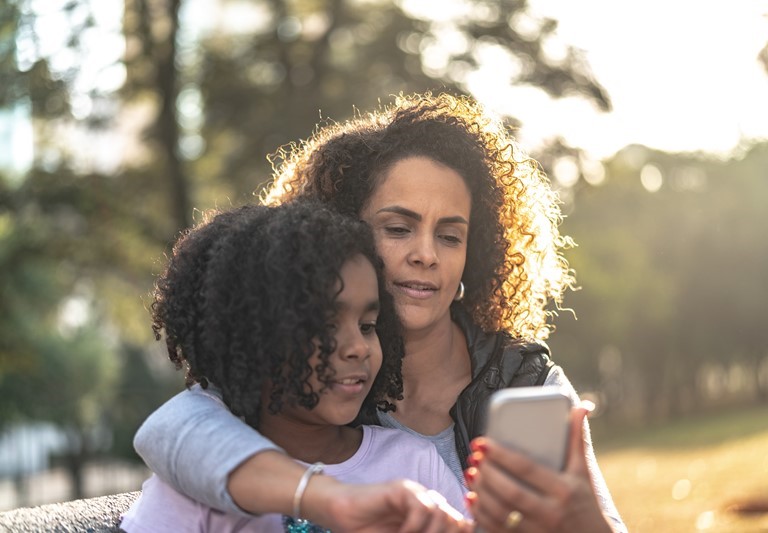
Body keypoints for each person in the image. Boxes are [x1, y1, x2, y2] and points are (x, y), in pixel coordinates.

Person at [134, 92, 626, 532]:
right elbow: (170, 431)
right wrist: (334, 501)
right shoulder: (299, 378)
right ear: (343, 233)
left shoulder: (523, 380)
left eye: (450, 236)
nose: (426, 254)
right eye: (398, 228)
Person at [121, 202, 472, 532]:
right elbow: (168, 425)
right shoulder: (195, 483)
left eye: (367, 325)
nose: (357, 348)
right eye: (320, 327)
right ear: (250, 335)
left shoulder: (414, 466)